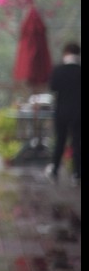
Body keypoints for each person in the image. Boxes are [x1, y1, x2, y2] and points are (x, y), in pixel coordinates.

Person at [48, 41, 81, 185]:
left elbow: (53, 87)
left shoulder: (58, 70)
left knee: (60, 140)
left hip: (61, 111)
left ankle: (55, 169)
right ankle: (77, 172)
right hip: (78, 112)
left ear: (66, 53)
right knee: (77, 142)